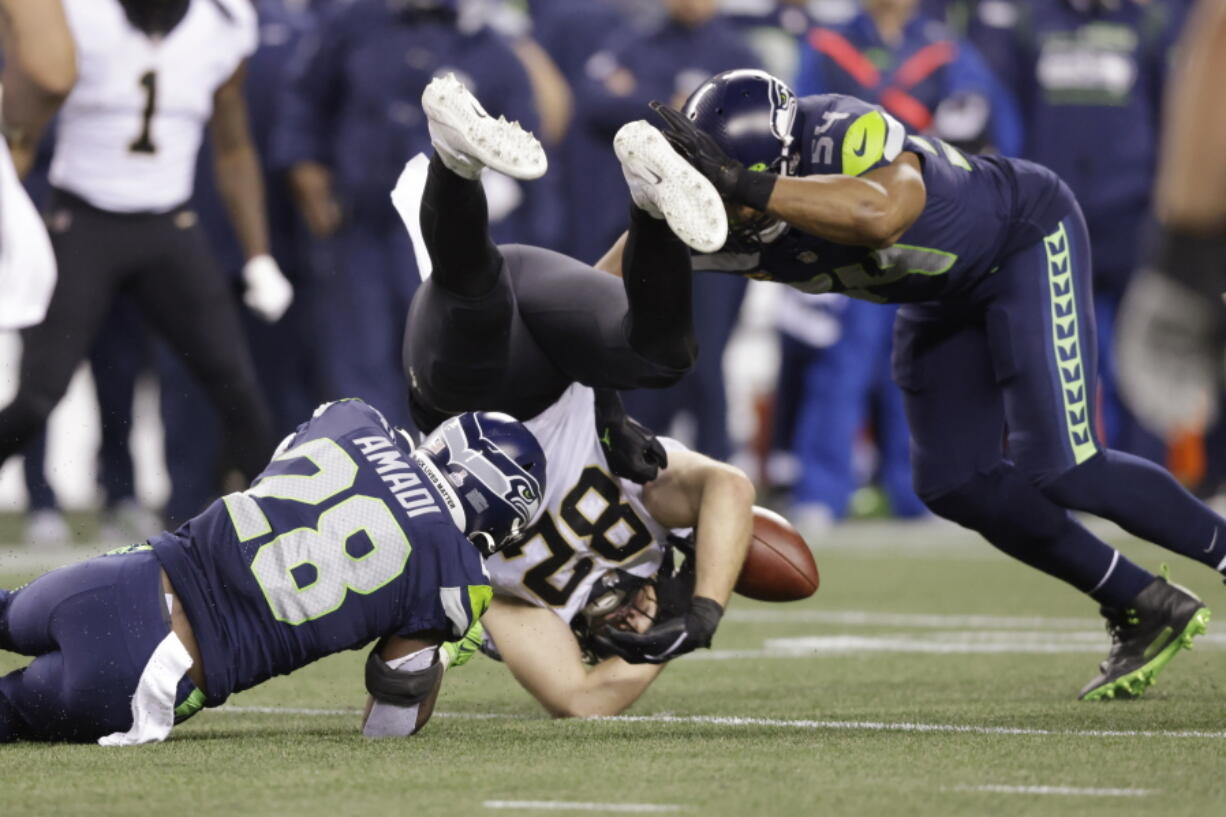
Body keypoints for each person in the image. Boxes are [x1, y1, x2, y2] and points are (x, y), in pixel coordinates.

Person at [633, 68, 1225, 701]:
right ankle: (1140, 602)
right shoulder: (710, 212)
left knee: (1065, 466)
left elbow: (883, 213)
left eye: (730, 194)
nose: (726, 215)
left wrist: (748, 185)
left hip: (1021, 237)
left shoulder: (837, 129)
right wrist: (646, 215)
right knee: (955, 480)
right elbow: (600, 292)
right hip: (942, 294)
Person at [401, 76, 753, 715]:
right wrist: (699, 612)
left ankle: (454, 160)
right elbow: (731, 489)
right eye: (655, 612)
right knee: (664, 356)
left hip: (464, 401)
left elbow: (583, 700)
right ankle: (652, 203)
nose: (642, 613)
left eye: (636, 628)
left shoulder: (533, 606)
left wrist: (654, 651)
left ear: (596, 643)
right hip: (560, 348)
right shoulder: (653, 527)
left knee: (476, 315)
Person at [0, 400, 547, 743]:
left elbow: (274, 479)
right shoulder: (453, 574)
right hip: (150, 669)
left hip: (115, 582)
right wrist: (447, 645)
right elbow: (391, 719)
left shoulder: (354, 418)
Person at [0, 0, 292, 487]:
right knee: (38, 395)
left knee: (237, 388)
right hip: (83, 221)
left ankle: (292, 523)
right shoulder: (77, 15)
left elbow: (234, 145)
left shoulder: (225, 21)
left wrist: (259, 257)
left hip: (167, 226)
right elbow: (21, 133)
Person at [272, 0, 540, 432]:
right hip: (360, 225)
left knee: (444, 359)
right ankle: (370, 471)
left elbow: (526, 139)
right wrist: (306, 171)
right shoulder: (350, 22)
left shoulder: (486, 39)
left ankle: (444, 477)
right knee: (358, 358)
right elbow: (303, 101)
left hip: (447, 236)